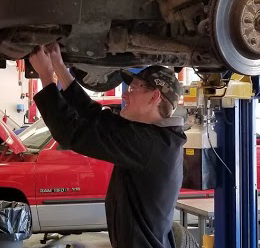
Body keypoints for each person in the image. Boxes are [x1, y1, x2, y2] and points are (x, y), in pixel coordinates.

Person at [30, 43, 186, 248]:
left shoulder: (149, 146)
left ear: (155, 96)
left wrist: (46, 77)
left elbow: (72, 134)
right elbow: (96, 116)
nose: (125, 95)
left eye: (133, 88)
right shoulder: (155, 138)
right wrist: (59, 67)